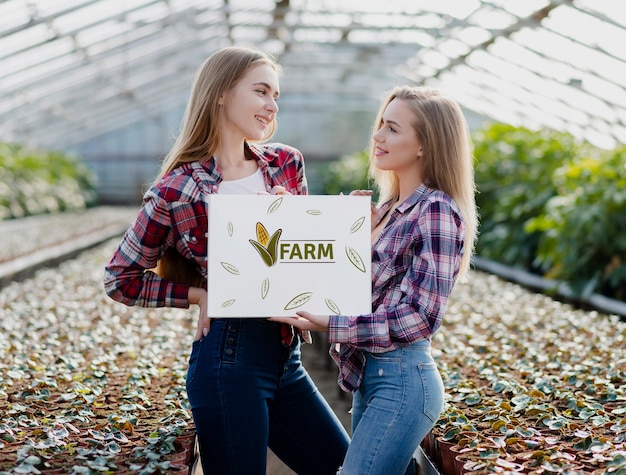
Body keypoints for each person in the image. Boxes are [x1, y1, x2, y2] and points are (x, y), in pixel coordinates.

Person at [103, 46, 350, 475]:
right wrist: (199, 293)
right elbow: (120, 278)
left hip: (286, 358)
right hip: (228, 360)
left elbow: (302, 266)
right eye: (261, 91)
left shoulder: (286, 164)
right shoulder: (177, 188)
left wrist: (340, 225)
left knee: (349, 467)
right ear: (221, 93)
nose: (272, 105)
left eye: (276, 95)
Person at [271, 85, 478, 475]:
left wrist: (329, 323)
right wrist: (294, 218)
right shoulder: (386, 211)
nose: (378, 135)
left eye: (393, 128)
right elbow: (341, 285)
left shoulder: (436, 211)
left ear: (424, 145)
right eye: (381, 123)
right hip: (373, 379)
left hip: (402, 382)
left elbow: (419, 318)